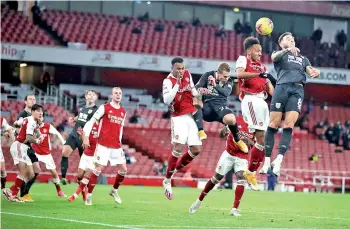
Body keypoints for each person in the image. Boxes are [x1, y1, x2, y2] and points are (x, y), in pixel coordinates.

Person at [261, 32, 320, 177]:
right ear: (281, 43)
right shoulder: (279, 54)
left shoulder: (303, 59)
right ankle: (267, 161)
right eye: (288, 39)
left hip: (298, 89)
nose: (291, 40)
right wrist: (287, 50)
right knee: (273, 124)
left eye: (293, 39)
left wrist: (315, 72)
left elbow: (310, 70)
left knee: (289, 125)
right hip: (281, 88)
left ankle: (279, 160)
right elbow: (274, 57)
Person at [161, 57, 208, 200]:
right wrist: (177, 84)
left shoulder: (187, 74)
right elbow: (166, 100)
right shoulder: (167, 81)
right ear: (172, 68)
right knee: (178, 147)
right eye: (178, 69)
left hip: (191, 115)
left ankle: (172, 170)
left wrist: (201, 92)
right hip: (178, 116)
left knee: (196, 150)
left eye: (182, 68)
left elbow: (193, 91)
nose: (181, 71)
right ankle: (167, 180)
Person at [188, 117, 254, 216]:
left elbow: (257, 145)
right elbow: (221, 135)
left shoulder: (256, 127)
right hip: (229, 154)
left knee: (241, 178)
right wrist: (223, 131)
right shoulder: (235, 119)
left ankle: (234, 209)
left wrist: (248, 141)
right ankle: (199, 201)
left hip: (242, 156)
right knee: (216, 179)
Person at [235, 37, 275, 190]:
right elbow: (239, 74)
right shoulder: (243, 60)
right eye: (257, 50)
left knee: (261, 141)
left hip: (263, 102)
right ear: (249, 50)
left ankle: (250, 172)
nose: (260, 53)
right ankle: (250, 171)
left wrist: (281, 99)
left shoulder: (263, 68)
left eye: (260, 50)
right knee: (260, 138)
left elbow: (269, 87)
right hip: (251, 99)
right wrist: (257, 75)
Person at [82, 87, 127, 206]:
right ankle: (89, 195)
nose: (118, 95)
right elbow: (91, 121)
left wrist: (120, 142)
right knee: (98, 169)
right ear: (111, 95)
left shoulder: (123, 111)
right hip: (103, 145)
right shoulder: (104, 107)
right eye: (115, 93)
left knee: (123, 170)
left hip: (116, 145)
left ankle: (114, 190)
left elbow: (121, 129)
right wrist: (86, 136)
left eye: (120, 93)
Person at [194, 63, 248, 154]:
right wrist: (201, 90)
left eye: (228, 76)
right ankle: (200, 130)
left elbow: (226, 93)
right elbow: (196, 87)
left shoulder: (229, 81)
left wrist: (215, 85)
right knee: (195, 99)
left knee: (231, 119)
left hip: (220, 108)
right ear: (218, 73)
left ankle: (237, 140)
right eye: (225, 76)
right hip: (207, 109)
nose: (227, 78)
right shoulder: (207, 75)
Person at [3, 104, 44, 202]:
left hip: (23, 148)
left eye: (41, 112)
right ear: (33, 111)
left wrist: (20, 129)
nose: (40, 113)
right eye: (38, 111)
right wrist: (38, 141)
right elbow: (29, 137)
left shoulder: (28, 119)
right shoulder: (31, 121)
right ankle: (13, 195)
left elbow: (16, 123)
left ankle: (11, 190)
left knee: (31, 174)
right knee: (23, 172)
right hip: (19, 146)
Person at [60, 90, 98, 185]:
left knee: (83, 166)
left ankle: (81, 184)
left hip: (84, 138)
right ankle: (63, 178)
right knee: (64, 152)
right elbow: (80, 116)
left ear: (96, 98)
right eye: (89, 94)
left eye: (93, 95)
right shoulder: (82, 108)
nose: (91, 96)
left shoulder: (96, 110)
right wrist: (73, 119)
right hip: (74, 135)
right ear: (86, 97)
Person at [13, 94, 42, 202]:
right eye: (30, 99)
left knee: (37, 170)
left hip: (29, 146)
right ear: (25, 102)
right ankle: (21, 193)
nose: (33, 100)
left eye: (34, 99)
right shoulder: (23, 114)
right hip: (23, 145)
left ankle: (22, 192)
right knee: (26, 171)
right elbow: (17, 129)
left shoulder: (34, 116)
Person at [31, 117, 66, 197]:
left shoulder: (47, 126)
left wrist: (63, 141)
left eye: (41, 117)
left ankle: (59, 191)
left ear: (43, 118)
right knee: (30, 171)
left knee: (54, 172)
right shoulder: (32, 126)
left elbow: (57, 133)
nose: (39, 118)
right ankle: (22, 189)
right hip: (35, 152)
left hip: (46, 154)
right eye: (38, 117)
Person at [68, 121, 99, 203]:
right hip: (86, 155)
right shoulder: (89, 124)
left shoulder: (103, 126)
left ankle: (74, 195)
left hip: (95, 157)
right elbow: (82, 140)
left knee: (87, 175)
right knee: (79, 176)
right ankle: (84, 194)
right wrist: (81, 135)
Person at [0, 117, 15, 191]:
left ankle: (3, 188)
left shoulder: (1, 120)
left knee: (2, 170)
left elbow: (9, 130)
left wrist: (15, 142)